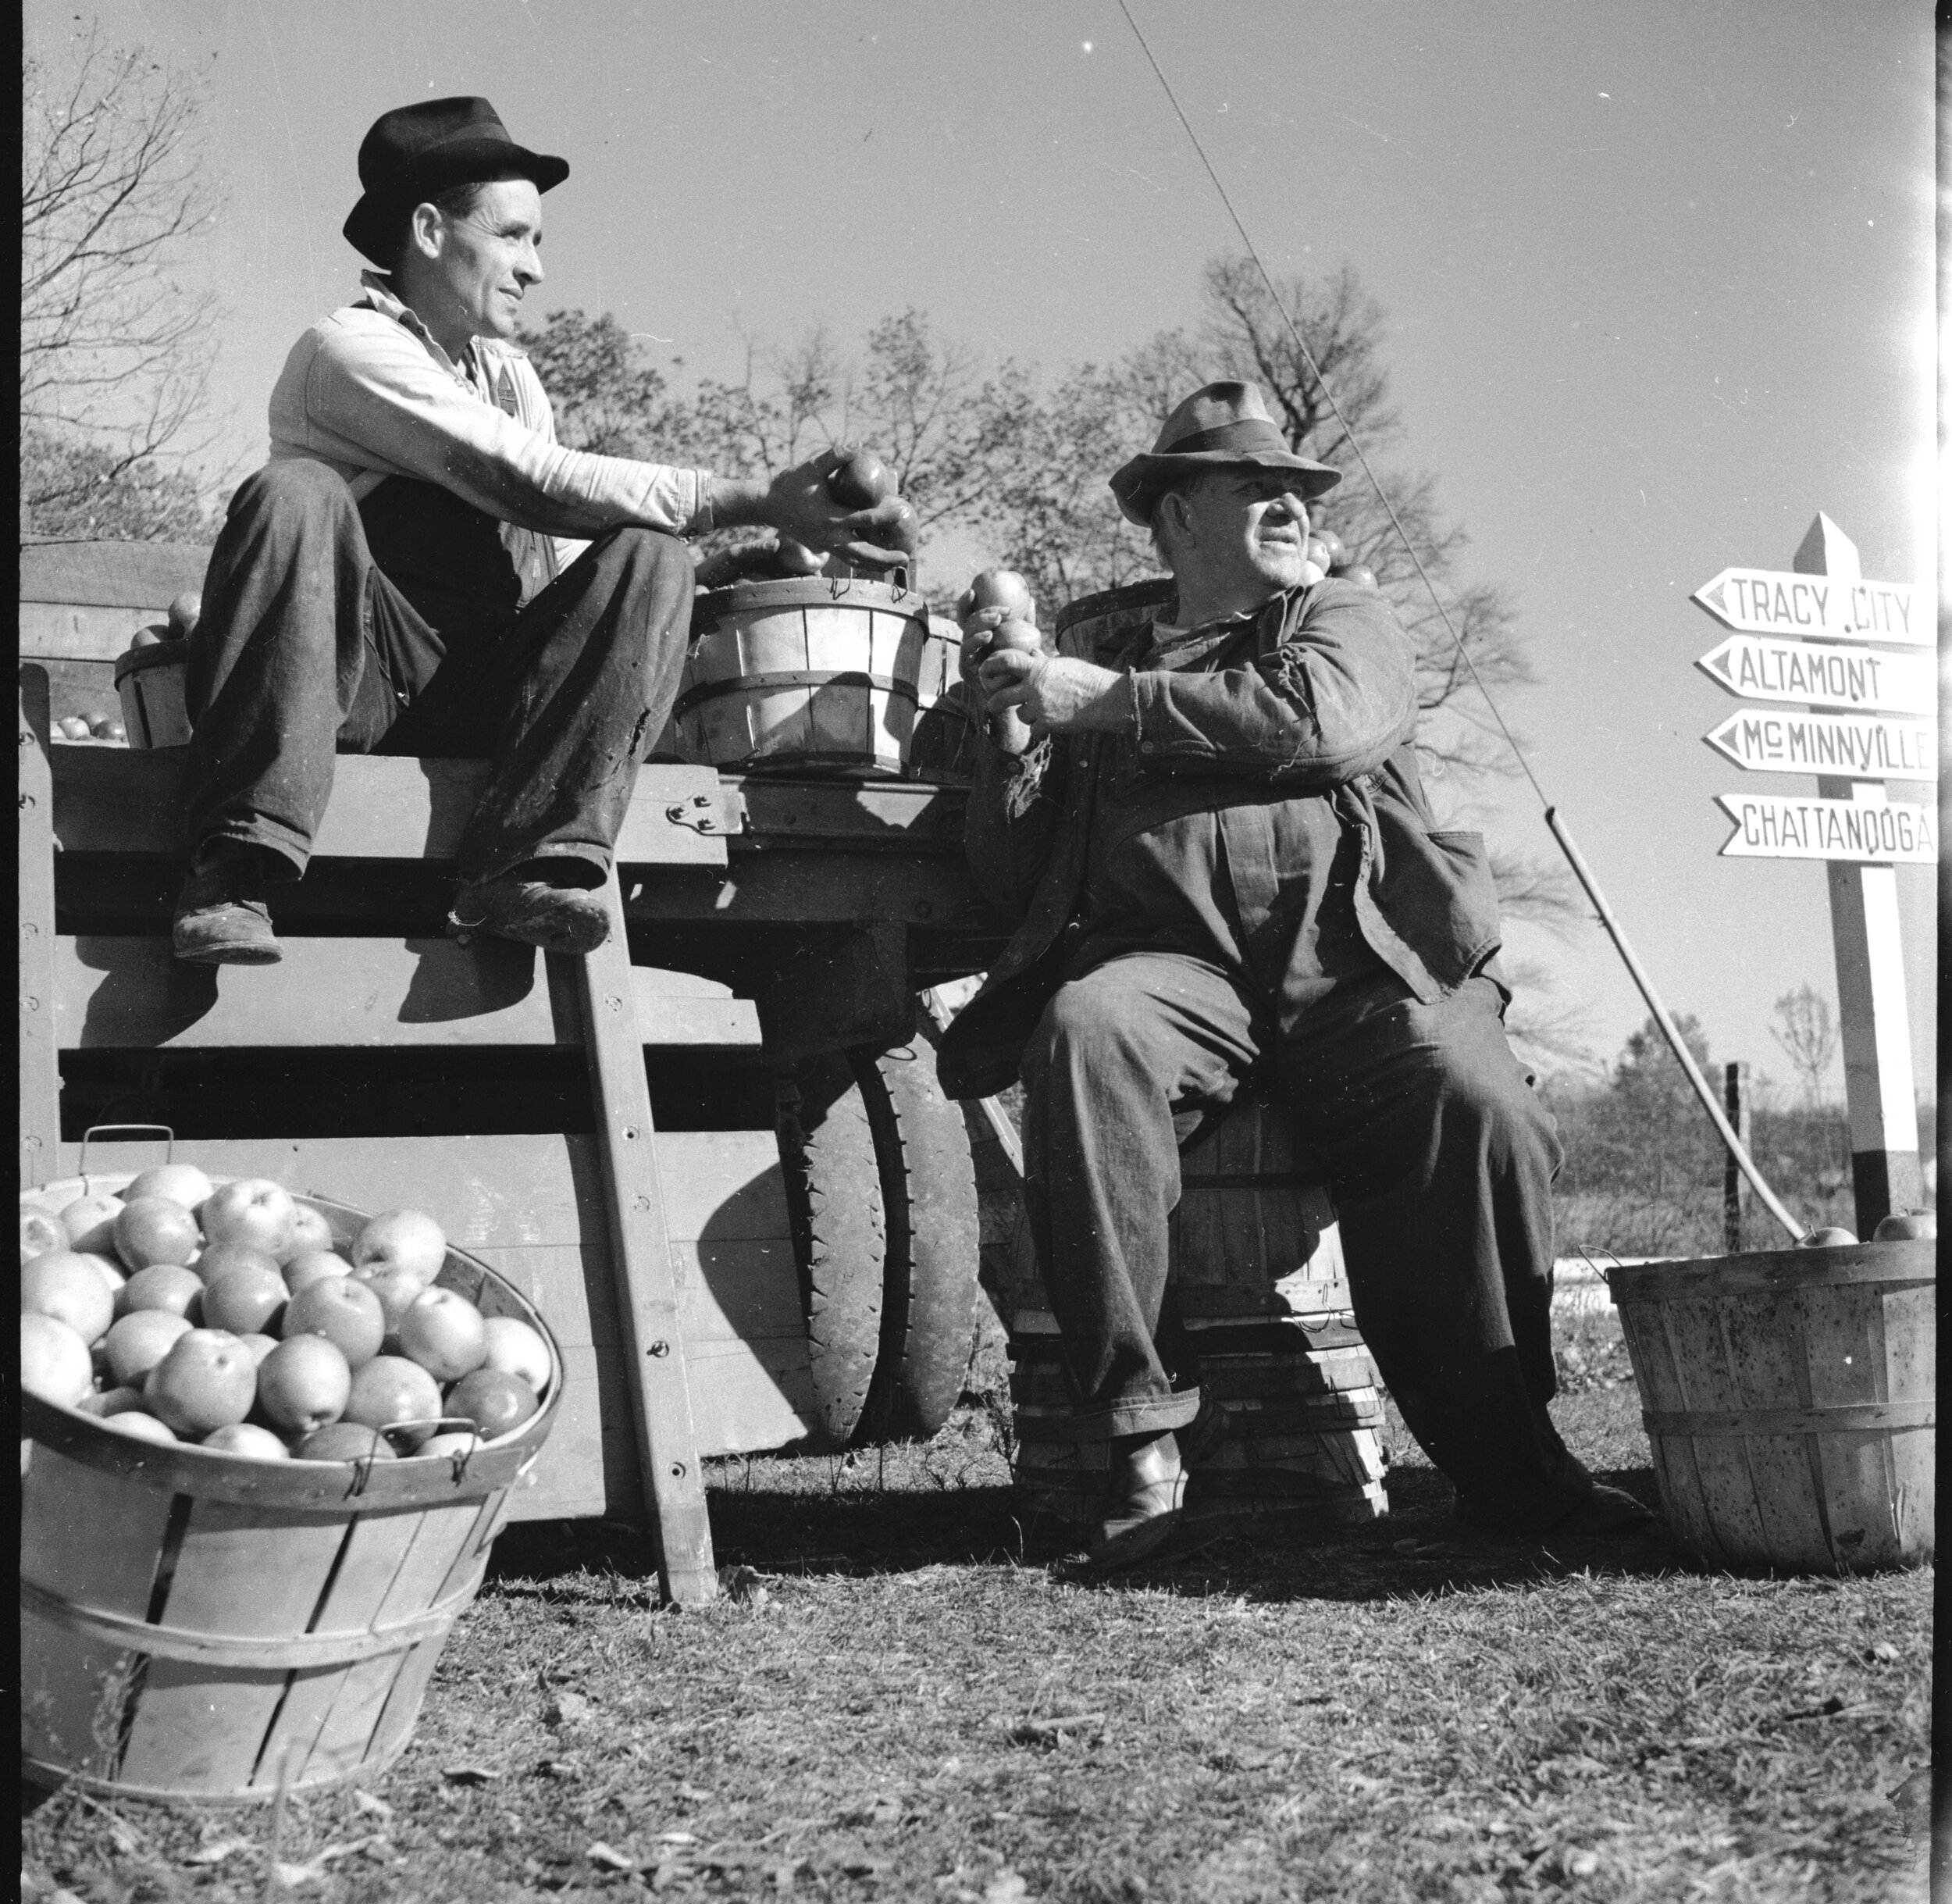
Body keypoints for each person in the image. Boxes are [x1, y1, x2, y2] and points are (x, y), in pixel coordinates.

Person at [937, 380, 1654, 1565]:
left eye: (1297, 488)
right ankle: (1138, 1437)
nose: (1289, 502)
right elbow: (1015, 876)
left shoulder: (1342, 618)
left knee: (1477, 1101)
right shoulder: (1101, 652)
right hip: (1178, 971)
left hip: (1358, 959)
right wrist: (1012, 732)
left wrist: (1107, 701)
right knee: (1087, 1028)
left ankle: (1510, 1465)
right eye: (1252, 486)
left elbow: (1323, 721)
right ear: (1174, 521)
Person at [174, 95, 905, 964]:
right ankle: (236, 865)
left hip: (481, 690)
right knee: (295, 493)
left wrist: (739, 565)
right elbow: (530, 483)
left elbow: (560, 569)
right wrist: (758, 495)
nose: (535, 269)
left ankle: (528, 864)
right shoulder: (345, 351)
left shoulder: (514, 377)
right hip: (347, 693)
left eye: (539, 243)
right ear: (430, 231)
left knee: (648, 550)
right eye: (515, 236)